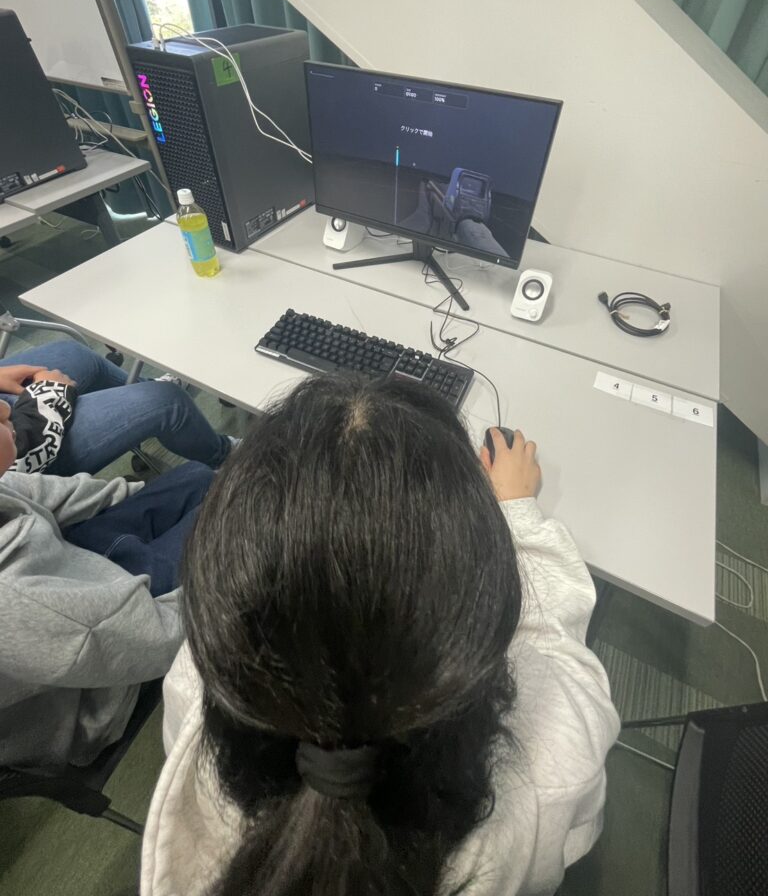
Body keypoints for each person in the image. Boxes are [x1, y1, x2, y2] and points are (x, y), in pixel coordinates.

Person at [141, 374, 620, 896]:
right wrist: (517, 514)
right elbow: (555, 646)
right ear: (481, 606)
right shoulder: (554, 762)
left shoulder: (191, 685)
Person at [0, 397, 213, 768]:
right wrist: (229, 569)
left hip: (75, 579)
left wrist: (145, 501)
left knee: (199, 477)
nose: (6, 409)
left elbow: (56, 495)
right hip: (96, 684)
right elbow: (162, 637)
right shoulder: (18, 601)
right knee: (231, 517)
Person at [0, 340, 236, 475]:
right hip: (17, 462)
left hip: (14, 414)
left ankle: (142, 396)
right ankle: (225, 458)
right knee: (168, 401)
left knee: (76, 355)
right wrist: (50, 393)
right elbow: (13, 455)